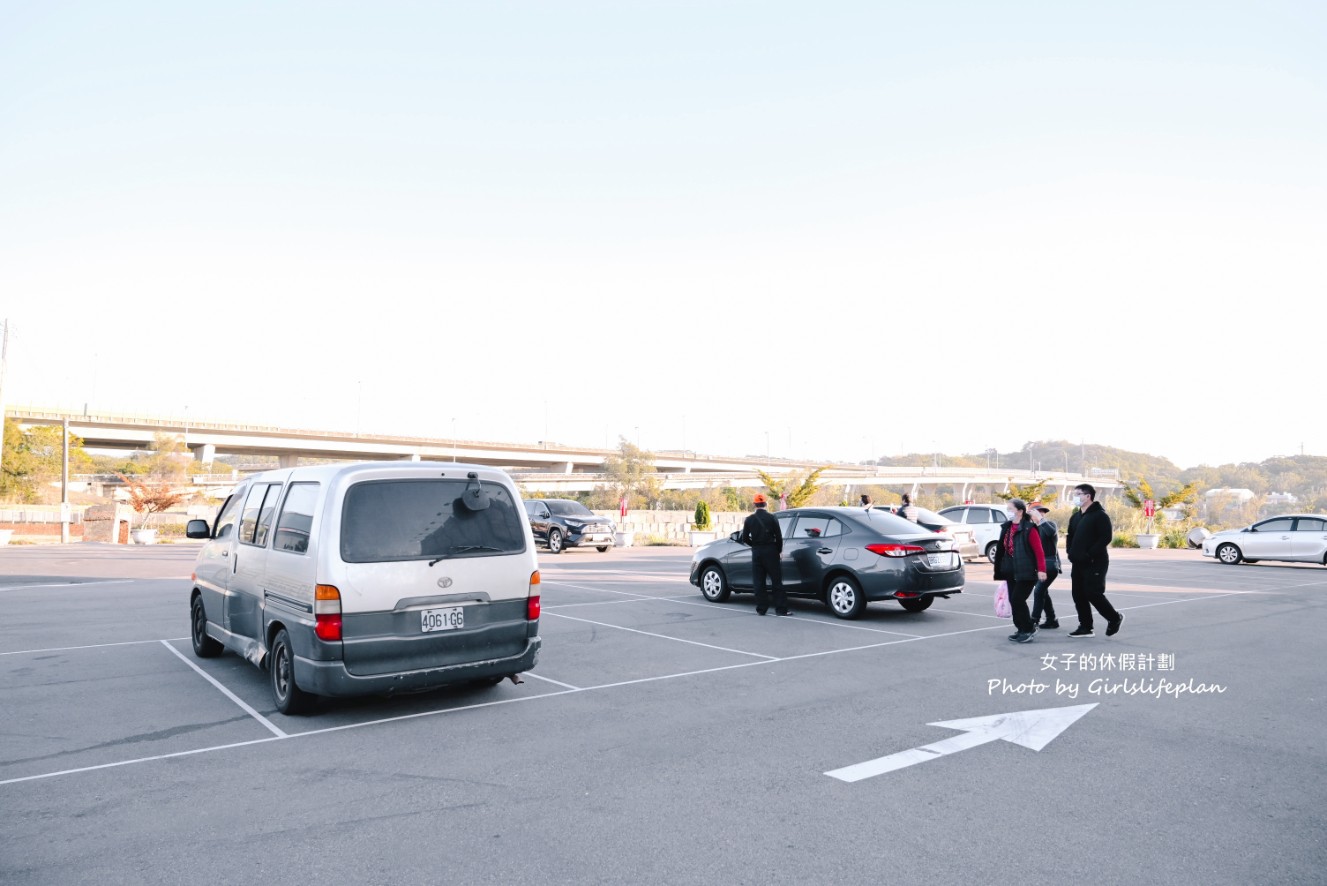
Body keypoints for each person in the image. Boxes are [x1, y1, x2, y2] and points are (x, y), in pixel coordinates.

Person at [1065, 483, 1123, 638]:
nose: (1075, 497)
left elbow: (1106, 537)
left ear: (1088, 496)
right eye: (1074, 494)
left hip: (1095, 562)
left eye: (1078, 494)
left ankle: (1114, 618)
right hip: (1078, 562)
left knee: (1093, 593)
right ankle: (1085, 627)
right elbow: (1069, 536)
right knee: (1078, 595)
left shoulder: (1100, 515)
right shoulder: (1076, 516)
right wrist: (1070, 552)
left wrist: (1089, 554)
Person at [991, 498, 1047, 643]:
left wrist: (1041, 570)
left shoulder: (1029, 528)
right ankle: (1021, 628)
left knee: (1018, 599)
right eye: (1007, 509)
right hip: (1011, 570)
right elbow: (1003, 550)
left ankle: (1029, 628)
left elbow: (1039, 551)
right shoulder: (1007, 527)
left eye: (1011, 509)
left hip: (1027, 570)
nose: (1008, 512)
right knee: (1013, 600)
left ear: (1020, 511)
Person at [738, 493, 789, 616]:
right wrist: (778, 550)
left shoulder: (749, 520)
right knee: (776, 581)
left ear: (754, 505)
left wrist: (754, 545)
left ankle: (761, 609)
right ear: (766, 504)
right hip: (771, 551)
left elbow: (744, 538)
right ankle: (781, 610)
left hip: (757, 552)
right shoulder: (772, 518)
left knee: (759, 582)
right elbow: (779, 537)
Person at [1026, 501, 1061, 629]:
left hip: (1049, 565)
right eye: (1037, 511)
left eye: (1042, 512)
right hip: (1036, 566)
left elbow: (1050, 533)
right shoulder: (1030, 527)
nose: (1040, 513)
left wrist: (1040, 520)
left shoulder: (1049, 524)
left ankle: (1034, 619)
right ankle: (1052, 619)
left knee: (1039, 591)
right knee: (1043, 592)